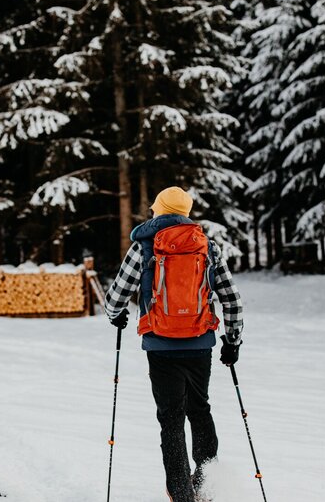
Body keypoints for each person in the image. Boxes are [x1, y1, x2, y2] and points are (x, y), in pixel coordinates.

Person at [104, 186, 244, 502]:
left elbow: (115, 298)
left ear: (159, 210)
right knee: (200, 410)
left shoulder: (144, 247)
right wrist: (232, 341)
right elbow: (232, 299)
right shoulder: (208, 247)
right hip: (199, 344)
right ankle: (206, 485)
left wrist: (117, 316)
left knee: (171, 419)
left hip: (160, 345)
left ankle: (180, 493)